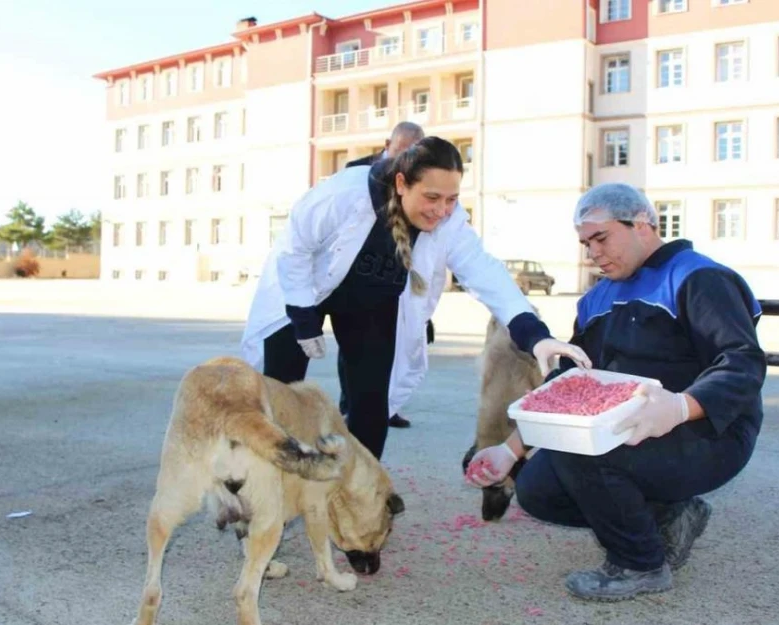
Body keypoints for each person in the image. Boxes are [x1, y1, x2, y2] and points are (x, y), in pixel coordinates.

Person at [466, 182, 766, 601]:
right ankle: (670, 514)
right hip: (627, 435)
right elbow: (569, 389)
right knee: (537, 489)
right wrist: (510, 450)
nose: (594, 254)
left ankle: (639, 564)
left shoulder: (698, 277)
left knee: (583, 451)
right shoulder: (596, 299)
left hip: (708, 435)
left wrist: (681, 407)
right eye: (586, 244)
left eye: (601, 238)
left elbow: (743, 362)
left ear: (641, 223)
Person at [241, 136, 590, 461]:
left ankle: (359, 496)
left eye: (452, 199)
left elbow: (485, 273)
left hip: (371, 305)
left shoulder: (450, 223)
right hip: (304, 290)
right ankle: (268, 490)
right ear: (401, 184)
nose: (442, 210)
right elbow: (294, 248)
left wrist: (536, 335)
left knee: (371, 403)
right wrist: (303, 318)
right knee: (281, 393)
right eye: (432, 197)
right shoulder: (343, 195)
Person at [338, 121, 428, 429]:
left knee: (388, 349)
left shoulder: (418, 183)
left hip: (392, 273)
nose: (404, 160)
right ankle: (348, 404)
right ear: (387, 144)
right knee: (352, 347)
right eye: (400, 151)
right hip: (351, 275)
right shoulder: (357, 171)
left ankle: (385, 406)